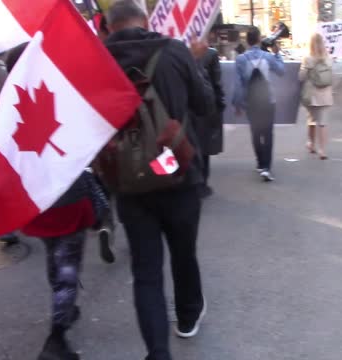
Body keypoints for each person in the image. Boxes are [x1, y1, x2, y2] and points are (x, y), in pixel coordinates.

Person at [104, 1, 215, 359]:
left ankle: (157, 351)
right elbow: (204, 104)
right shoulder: (174, 51)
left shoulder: (95, 61)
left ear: (108, 26)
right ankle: (187, 317)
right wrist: (195, 64)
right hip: (177, 170)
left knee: (146, 270)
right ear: (147, 19)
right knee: (184, 253)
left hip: (128, 180)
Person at [24, 171, 107, 360]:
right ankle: (56, 338)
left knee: (54, 255)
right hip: (70, 199)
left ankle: (65, 310)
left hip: (37, 198)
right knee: (67, 269)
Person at [233, 27, 285, 182]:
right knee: (268, 134)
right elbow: (281, 71)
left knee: (255, 133)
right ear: (258, 39)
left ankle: (260, 163)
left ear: (247, 41)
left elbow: (238, 85)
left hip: (251, 102)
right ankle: (266, 168)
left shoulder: (241, 59)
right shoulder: (267, 57)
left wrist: (237, 104)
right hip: (267, 100)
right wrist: (277, 54)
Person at [300, 33, 333, 160]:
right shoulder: (328, 58)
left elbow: (301, 76)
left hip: (312, 95)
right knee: (323, 123)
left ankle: (311, 144)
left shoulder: (308, 59)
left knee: (312, 120)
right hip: (326, 94)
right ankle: (323, 150)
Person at [197, 47, 225, 198]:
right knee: (204, 146)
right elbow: (217, 82)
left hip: (185, 107)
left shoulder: (175, 49)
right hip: (206, 105)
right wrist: (220, 103)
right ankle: (202, 183)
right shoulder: (210, 53)